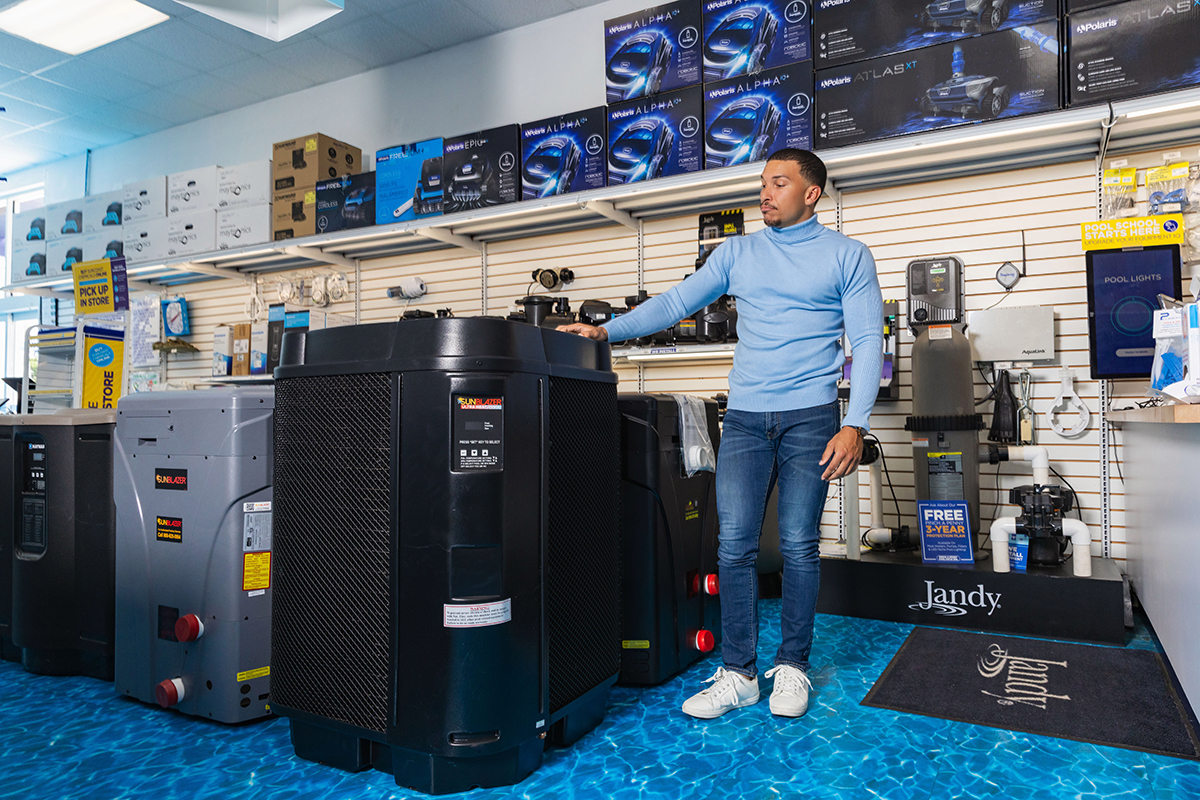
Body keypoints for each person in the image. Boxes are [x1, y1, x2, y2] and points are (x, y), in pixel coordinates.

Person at [559, 148, 883, 719]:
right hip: (747, 418)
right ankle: (738, 673)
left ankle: (793, 668)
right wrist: (604, 330)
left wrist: (854, 423)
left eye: (779, 183)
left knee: (799, 546)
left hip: (812, 417)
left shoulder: (848, 256)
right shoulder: (737, 251)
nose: (765, 192)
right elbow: (676, 302)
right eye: (763, 183)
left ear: (811, 193)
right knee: (732, 546)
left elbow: (867, 342)